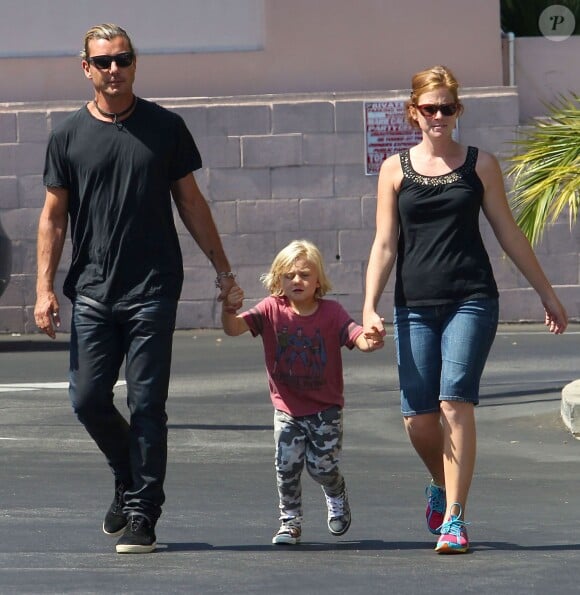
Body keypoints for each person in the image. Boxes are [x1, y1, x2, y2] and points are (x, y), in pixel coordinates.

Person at [34, 23, 241, 554]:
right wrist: (43, 289)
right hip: (93, 291)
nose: (113, 70)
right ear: (86, 68)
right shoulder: (67, 136)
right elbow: (54, 218)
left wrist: (223, 272)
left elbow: (191, 204)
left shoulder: (165, 127)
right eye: (102, 61)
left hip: (153, 289)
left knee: (148, 402)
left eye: (122, 59)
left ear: (134, 64)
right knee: (86, 400)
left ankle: (144, 512)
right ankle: (128, 477)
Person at [363, 65, 568, 554]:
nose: (438, 116)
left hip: (471, 300)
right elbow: (385, 243)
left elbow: (509, 233)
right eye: (429, 108)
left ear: (459, 111)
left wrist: (548, 293)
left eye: (447, 108)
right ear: (414, 112)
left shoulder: (480, 165)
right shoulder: (394, 170)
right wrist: (369, 306)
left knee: (455, 401)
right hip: (413, 305)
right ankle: (441, 481)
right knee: (418, 417)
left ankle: (454, 517)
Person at [222, 240, 384, 545]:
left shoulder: (332, 312)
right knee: (286, 466)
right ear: (278, 279)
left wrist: (370, 339)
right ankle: (290, 522)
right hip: (287, 409)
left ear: (318, 281)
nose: (297, 280)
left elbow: (356, 337)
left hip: (325, 409)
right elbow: (233, 328)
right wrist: (228, 307)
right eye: (289, 275)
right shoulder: (270, 309)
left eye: (305, 275)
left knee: (322, 467)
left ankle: (335, 491)